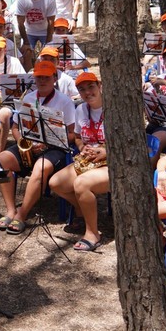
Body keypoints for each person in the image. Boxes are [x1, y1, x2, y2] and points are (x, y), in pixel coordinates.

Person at [0, 61, 76, 235]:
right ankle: (10, 210)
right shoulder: (29, 98)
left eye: (46, 77)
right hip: (29, 145)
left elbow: (72, 135)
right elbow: (15, 127)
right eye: (39, 77)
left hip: (55, 148)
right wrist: (22, 144)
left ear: (54, 78)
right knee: (1, 160)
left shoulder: (65, 102)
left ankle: (22, 214)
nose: (42, 80)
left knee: (41, 168)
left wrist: (48, 143)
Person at [48, 73, 108, 251]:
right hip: (89, 160)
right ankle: (83, 210)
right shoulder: (81, 109)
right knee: (55, 183)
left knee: (81, 184)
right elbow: (78, 137)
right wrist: (82, 147)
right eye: (82, 89)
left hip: (112, 164)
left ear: (99, 85)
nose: (87, 92)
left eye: (91, 87)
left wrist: (105, 152)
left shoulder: (115, 108)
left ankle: (92, 233)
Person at [14, 0, 57, 69]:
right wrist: (26, 42)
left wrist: (48, 42)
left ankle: (49, 73)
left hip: (45, 31)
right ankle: (29, 76)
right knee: (26, 53)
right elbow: (20, 24)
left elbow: (51, 22)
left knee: (49, 53)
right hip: (29, 31)